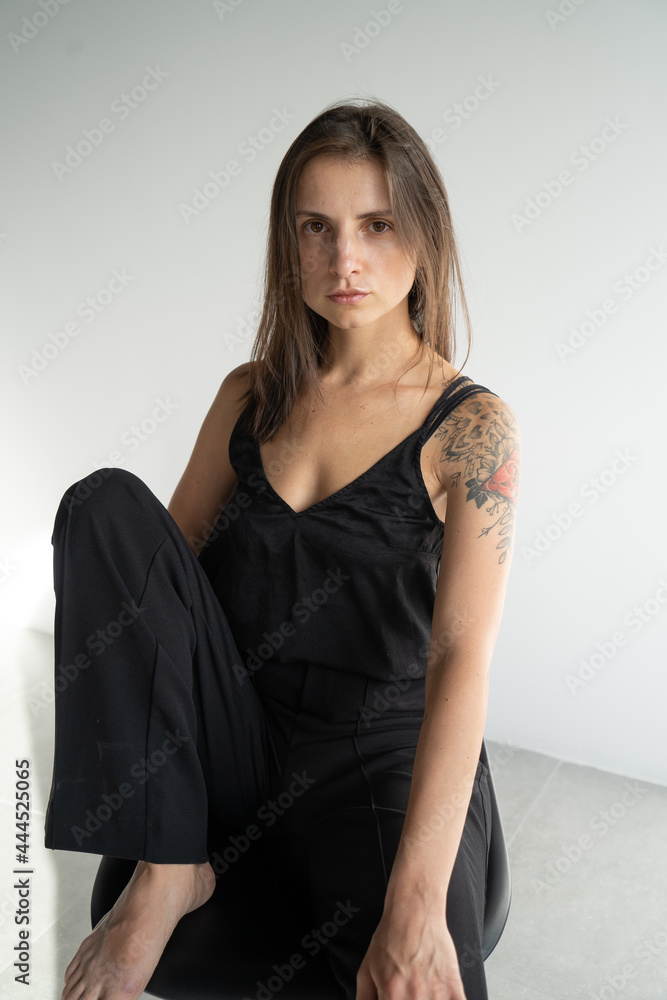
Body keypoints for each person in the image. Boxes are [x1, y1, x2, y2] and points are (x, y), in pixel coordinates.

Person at [44, 98, 520, 1000]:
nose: (344, 260)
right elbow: (157, 590)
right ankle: (172, 872)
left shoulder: (472, 429)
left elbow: (462, 656)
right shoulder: (248, 396)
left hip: (375, 753)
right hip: (240, 732)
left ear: (424, 236)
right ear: (286, 241)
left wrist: (416, 903)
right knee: (102, 506)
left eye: (376, 225)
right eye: (315, 227)